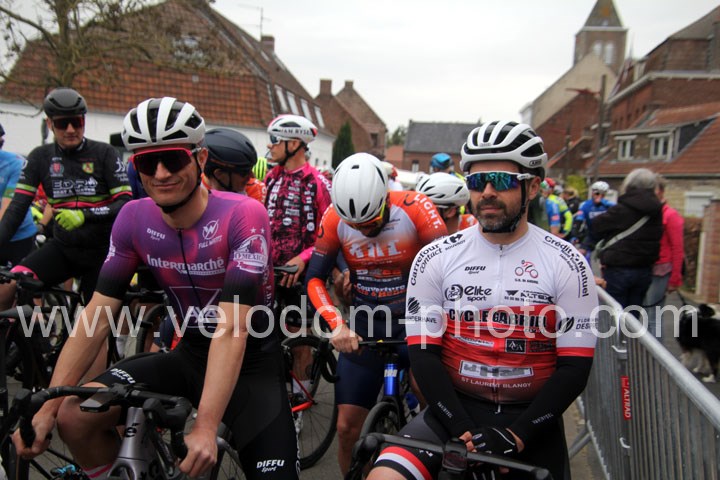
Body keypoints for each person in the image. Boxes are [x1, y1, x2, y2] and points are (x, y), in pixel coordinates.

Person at [12, 97, 299, 479]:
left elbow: (232, 328)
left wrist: (206, 427)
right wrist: (47, 408)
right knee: (74, 417)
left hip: (253, 365)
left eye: (173, 159)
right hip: (188, 356)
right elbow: (97, 314)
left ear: (200, 158)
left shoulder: (242, 214)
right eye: (148, 163)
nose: (161, 173)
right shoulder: (134, 218)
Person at [368, 120, 598, 480]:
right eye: (476, 181)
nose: (487, 192)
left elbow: (574, 369)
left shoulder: (567, 262)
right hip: (452, 413)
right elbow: (424, 356)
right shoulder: (435, 258)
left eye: (501, 181)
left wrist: (517, 436)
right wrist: (463, 430)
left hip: (531, 422)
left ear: (533, 186)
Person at [305, 153, 447, 474]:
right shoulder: (333, 218)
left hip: (415, 321)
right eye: (355, 225)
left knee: (432, 409)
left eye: (370, 221)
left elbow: (450, 269)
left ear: (385, 198)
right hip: (365, 325)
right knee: (346, 429)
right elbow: (313, 278)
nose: (364, 230)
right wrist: (336, 325)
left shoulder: (415, 207)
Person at [0, 87, 132, 303]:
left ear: (84, 121)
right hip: (63, 248)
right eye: (63, 123)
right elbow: (17, 208)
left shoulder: (105, 153)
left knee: (97, 318)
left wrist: (85, 215)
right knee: (9, 284)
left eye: (77, 122)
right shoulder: (39, 157)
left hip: (102, 251)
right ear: (50, 124)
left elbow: (126, 203)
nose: (71, 129)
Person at [264, 113, 331, 296]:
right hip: (269, 276)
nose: (270, 145)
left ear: (293, 144)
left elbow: (332, 236)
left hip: (302, 280)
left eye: (275, 139)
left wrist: (304, 258)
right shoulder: (271, 178)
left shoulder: (319, 183)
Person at [591, 168, 663, 309]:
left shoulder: (624, 207)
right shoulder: (656, 210)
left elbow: (597, 225)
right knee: (633, 315)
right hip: (644, 269)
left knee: (613, 313)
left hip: (618, 268)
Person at [0, 123, 37, 308]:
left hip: (19, 236)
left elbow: (7, 210)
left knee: (18, 287)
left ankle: (37, 320)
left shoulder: (14, 163)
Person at [642, 174, 684, 337]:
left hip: (661, 269)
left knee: (654, 314)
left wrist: (675, 278)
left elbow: (677, 248)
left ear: (660, 191)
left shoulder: (670, 215)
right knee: (646, 313)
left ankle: (655, 349)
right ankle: (646, 348)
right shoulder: (650, 213)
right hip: (647, 268)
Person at [575, 180, 614, 256]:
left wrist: (603, 202)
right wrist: (575, 235)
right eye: (596, 193)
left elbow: (616, 211)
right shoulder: (585, 205)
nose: (598, 196)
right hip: (592, 234)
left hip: (607, 234)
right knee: (581, 253)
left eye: (602, 194)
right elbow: (579, 220)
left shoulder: (609, 205)